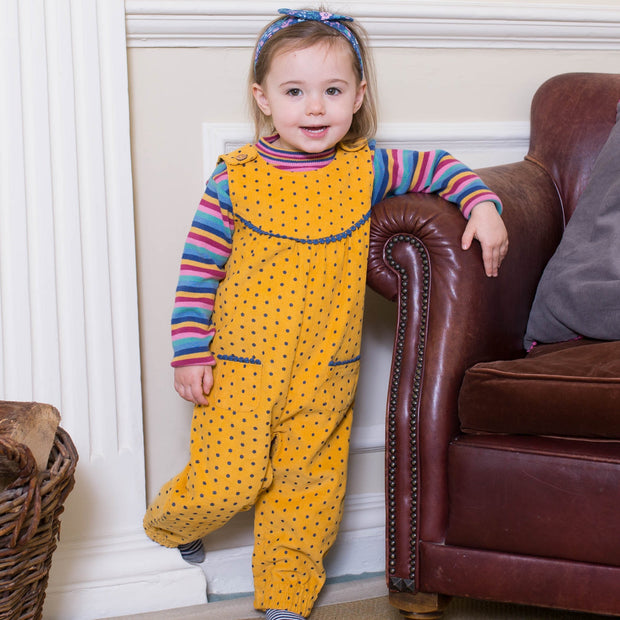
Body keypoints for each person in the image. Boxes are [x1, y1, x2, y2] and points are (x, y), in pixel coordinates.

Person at [143, 7, 509, 620]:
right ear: (263, 100)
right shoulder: (235, 178)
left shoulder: (365, 168)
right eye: (295, 92)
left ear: (358, 96)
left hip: (326, 372)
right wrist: (190, 352)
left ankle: (284, 597)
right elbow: (198, 268)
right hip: (240, 368)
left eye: (332, 91)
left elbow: (442, 166)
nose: (315, 109)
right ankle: (172, 523)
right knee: (225, 479)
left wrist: (483, 203)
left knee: (307, 489)